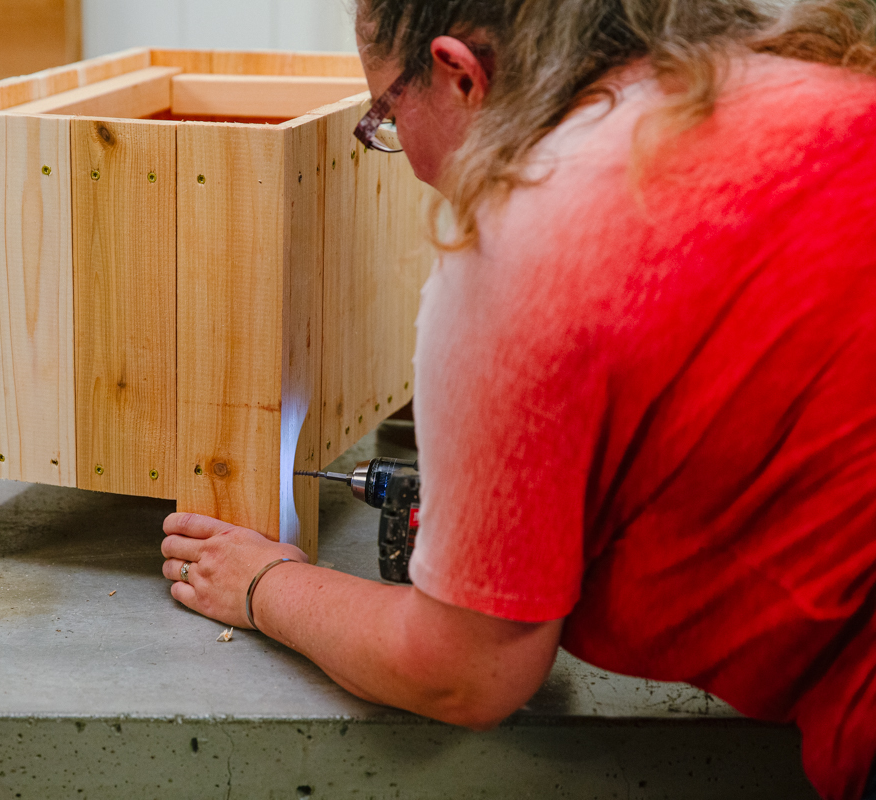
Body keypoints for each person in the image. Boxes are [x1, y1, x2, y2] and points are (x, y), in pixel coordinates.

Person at [159, 1, 876, 797]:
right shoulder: (819, 83)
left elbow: (463, 674)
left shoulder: (527, 235)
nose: (405, 157)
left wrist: (265, 586)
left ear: (459, 73)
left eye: (386, 114)